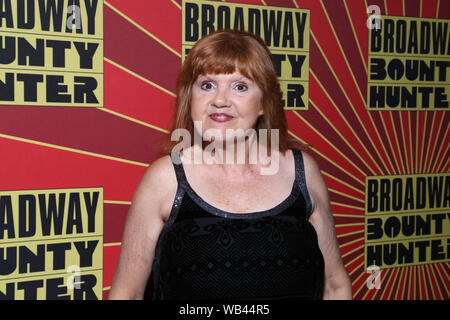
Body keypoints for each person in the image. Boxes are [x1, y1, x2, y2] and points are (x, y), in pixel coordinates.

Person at [109, 29, 352, 300]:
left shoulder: (302, 173)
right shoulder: (165, 178)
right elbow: (126, 294)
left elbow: (335, 285)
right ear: (190, 98)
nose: (220, 100)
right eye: (207, 85)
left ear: (264, 102)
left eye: (240, 86)